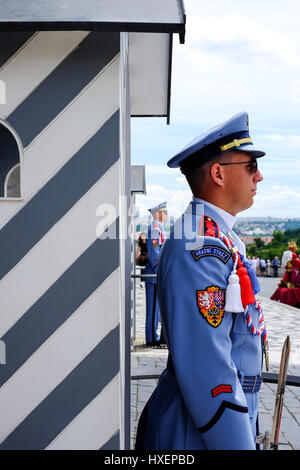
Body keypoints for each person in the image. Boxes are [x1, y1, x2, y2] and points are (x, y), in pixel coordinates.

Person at [136, 111, 268, 450]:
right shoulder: (202, 247)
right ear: (218, 174)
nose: (260, 176)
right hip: (198, 430)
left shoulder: (215, 237)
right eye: (251, 166)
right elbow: (208, 369)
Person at [144, 202, 168, 347]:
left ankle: (153, 335)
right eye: (165, 212)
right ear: (159, 214)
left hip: (156, 274)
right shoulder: (155, 229)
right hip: (154, 274)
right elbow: (154, 255)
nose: (166, 215)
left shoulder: (159, 229)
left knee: (156, 309)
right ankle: (151, 337)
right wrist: (160, 269)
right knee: (153, 309)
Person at [271, 242, 300, 307]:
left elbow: (284, 263)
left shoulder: (285, 253)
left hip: (287, 270)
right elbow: (295, 262)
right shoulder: (293, 254)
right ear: (293, 248)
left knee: (285, 283)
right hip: (291, 270)